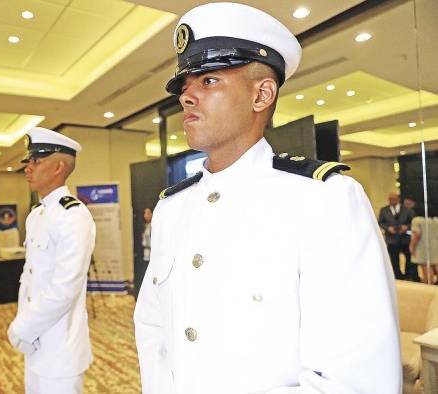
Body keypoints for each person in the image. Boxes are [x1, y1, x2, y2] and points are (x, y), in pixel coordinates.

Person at [134, 3, 401, 393]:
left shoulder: (324, 200)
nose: (187, 96)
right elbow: (154, 331)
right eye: (185, 85)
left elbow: (356, 379)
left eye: (208, 81)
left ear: (262, 94)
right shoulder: (172, 208)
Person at [7, 127, 96, 394]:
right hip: (35, 340)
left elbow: (64, 288)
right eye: (29, 161)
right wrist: (27, 327)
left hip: (60, 346)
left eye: (37, 160)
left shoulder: (74, 215)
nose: (28, 167)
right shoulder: (37, 215)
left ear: (58, 167)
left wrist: (23, 327)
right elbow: (32, 279)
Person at [379, 192, 417, 280]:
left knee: (409, 258)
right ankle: (398, 275)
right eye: (390, 199)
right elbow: (380, 222)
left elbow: (413, 222)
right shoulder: (384, 210)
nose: (392, 201)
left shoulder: (407, 210)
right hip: (391, 239)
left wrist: (406, 227)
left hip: (405, 239)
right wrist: (388, 228)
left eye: (394, 199)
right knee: (394, 259)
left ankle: (409, 275)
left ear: (398, 199)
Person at [410, 208, 438, 284]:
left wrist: (412, 246)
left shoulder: (417, 220)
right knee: (435, 264)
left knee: (426, 266)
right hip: (435, 246)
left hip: (423, 247)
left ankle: (428, 283)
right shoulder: (436, 220)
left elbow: (417, 234)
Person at [135, 208, 153, 298]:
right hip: (145, 253)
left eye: (149, 213)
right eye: (145, 213)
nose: (147, 215)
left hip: (152, 254)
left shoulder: (154, 226)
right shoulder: (143, 226)